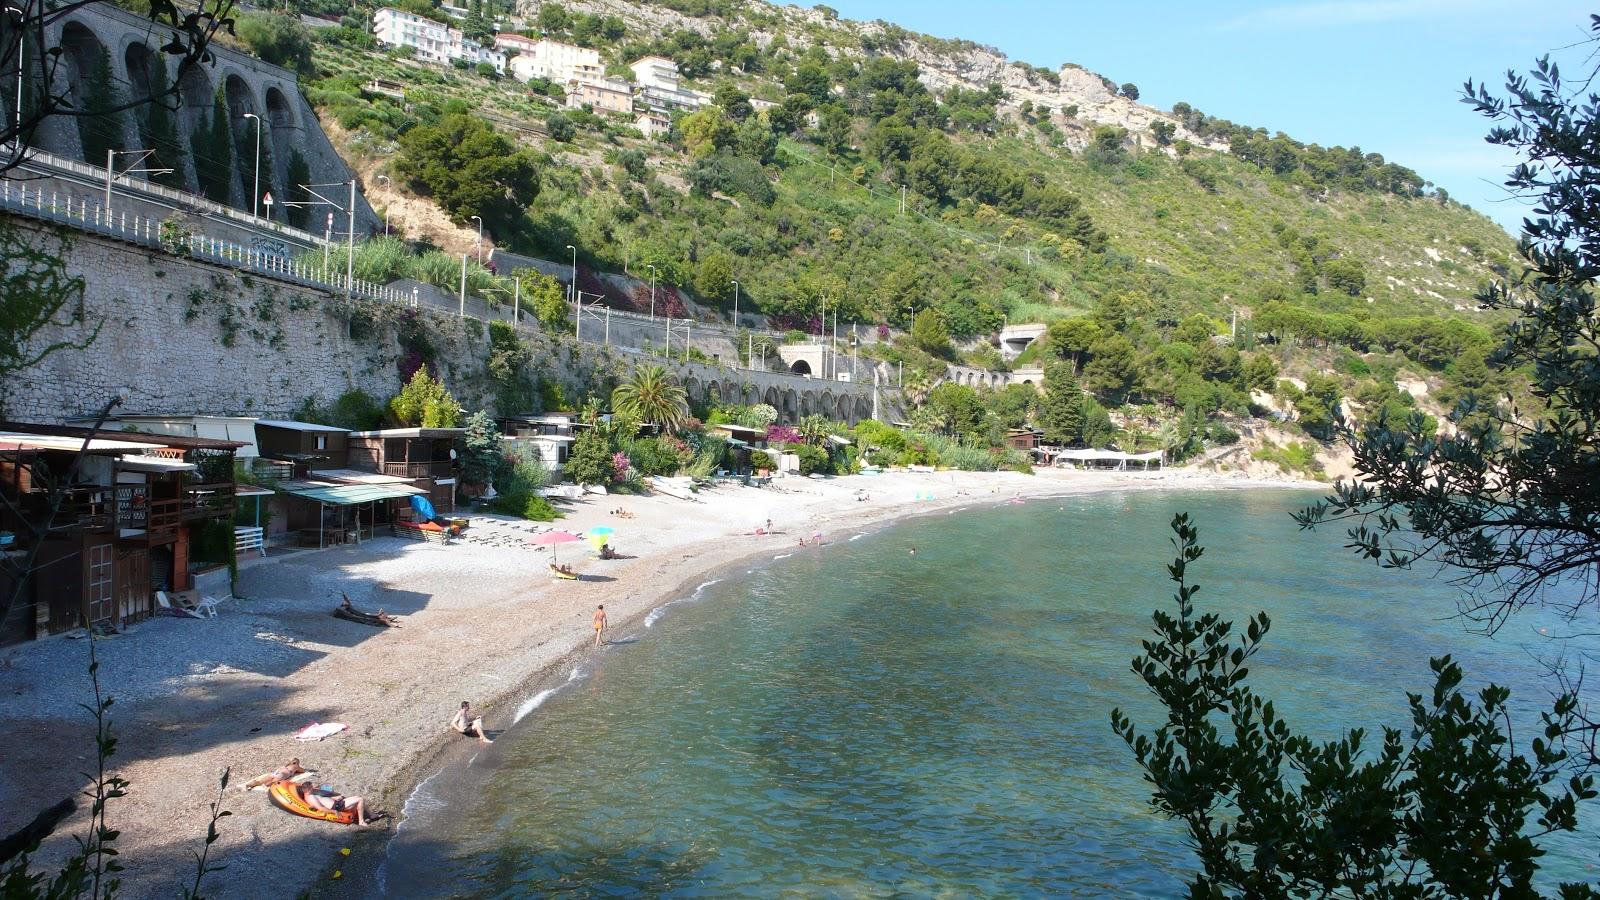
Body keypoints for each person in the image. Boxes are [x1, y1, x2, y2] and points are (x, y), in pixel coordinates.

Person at [302, 784, 372, 827]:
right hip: (337, 807)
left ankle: (372, 814)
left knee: (357, 797)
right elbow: (321, 808)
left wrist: (334, 798)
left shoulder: (311, 795)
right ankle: (361, 821)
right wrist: (334, 811)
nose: (313, 788)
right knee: (360, 799)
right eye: (312, 787)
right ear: (309, 789)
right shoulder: (311, 798)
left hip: (337, 803)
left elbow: (323, 800)